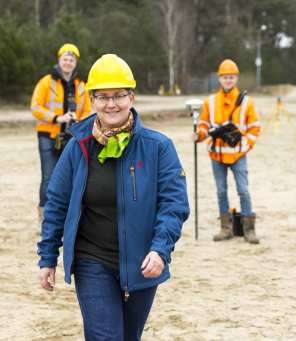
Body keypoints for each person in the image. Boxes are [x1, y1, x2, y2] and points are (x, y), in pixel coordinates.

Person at [37, 54, 189, 340]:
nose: (111, 104)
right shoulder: (77, 147)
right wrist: (47, 257)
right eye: (102, 96)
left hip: (143, 263)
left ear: (132, 97)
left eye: (119, 95)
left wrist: (160, 249)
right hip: (92, 259)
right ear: (91, 100)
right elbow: (56, 203)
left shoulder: (159, 147)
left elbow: (174, 205)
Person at [193, 59, 261, 244]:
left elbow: (254, 128)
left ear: (236, 78)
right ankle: (225, 228)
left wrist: (244, 145)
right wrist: (199, 135)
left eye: (231, 77)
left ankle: (249, 229)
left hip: (238, 155)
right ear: (219, 79)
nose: (228, 80)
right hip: (217, 155)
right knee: (221, 191)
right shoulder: (210, 102)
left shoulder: (246, 102)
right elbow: (204, 125)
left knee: (243, 191)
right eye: (225, 77)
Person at [30, 43, 92, 222]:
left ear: (75, 63)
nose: (68, 62)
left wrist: (77, 122)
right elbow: (35, 107)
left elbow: (88, 111)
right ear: (59, 60)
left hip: (72, 138)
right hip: (48, 136)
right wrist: (57, 118)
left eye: (71, 59)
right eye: (65, 58)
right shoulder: (46, 82)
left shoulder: (82, 86)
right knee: (49, 177)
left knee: (71, 179)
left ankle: (66, 218)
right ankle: (44, 219)